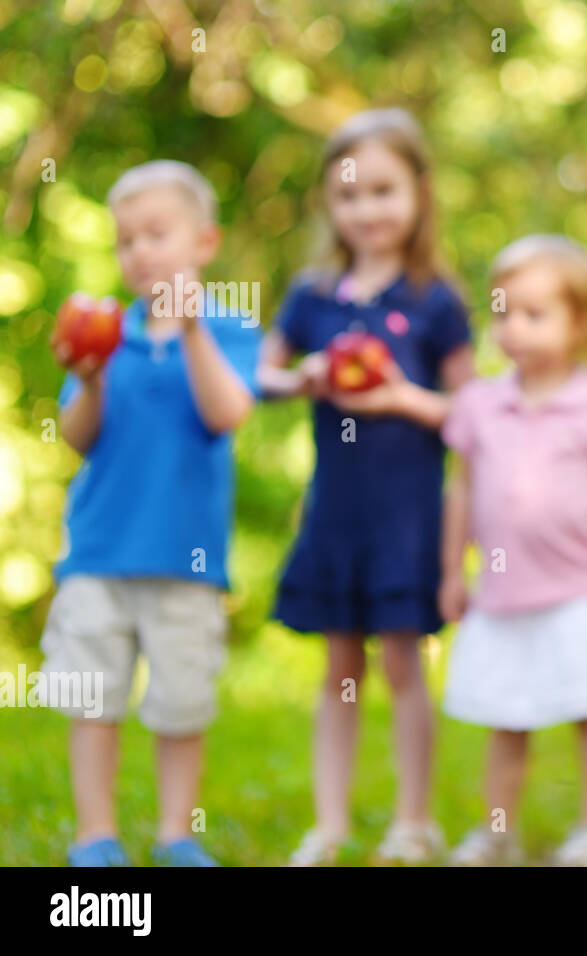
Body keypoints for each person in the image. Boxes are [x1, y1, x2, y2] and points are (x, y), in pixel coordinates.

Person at [256, 108, 475, 866]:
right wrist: (302, 379)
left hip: (407, 518)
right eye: (349, 195)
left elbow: (472, 415)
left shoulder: (435, 301)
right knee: (338, 668)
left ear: (418, 192)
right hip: (337, 515)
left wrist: (397, 397)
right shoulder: (314, 297)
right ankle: (330, 822)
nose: (367, 210)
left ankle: (413, 822)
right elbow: (260, 377)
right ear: (328, 203)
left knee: (404, 665)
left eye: (383, 191)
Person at [42, 160, 260, 866]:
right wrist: (88, 377)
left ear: (204, 242)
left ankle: (175, 834)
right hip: (100, 553)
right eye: (125, 240)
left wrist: (191, 330)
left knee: (179, 704)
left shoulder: (227, 331)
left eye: (157, 234)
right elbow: (77, 438)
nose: (139, 251)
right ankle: (94, 835)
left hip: (186, 558)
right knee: (93, 700)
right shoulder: (104, 336)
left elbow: (226, 413)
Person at [439, 234, 587, 866]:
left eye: (535, 314)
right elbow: (461, 492)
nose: (515, 329)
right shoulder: (479, 404)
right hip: (504, 595)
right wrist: (453, 569)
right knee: (508, 720)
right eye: (503, 313)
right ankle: (496, 833)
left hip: (581, 592)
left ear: (580, 322)